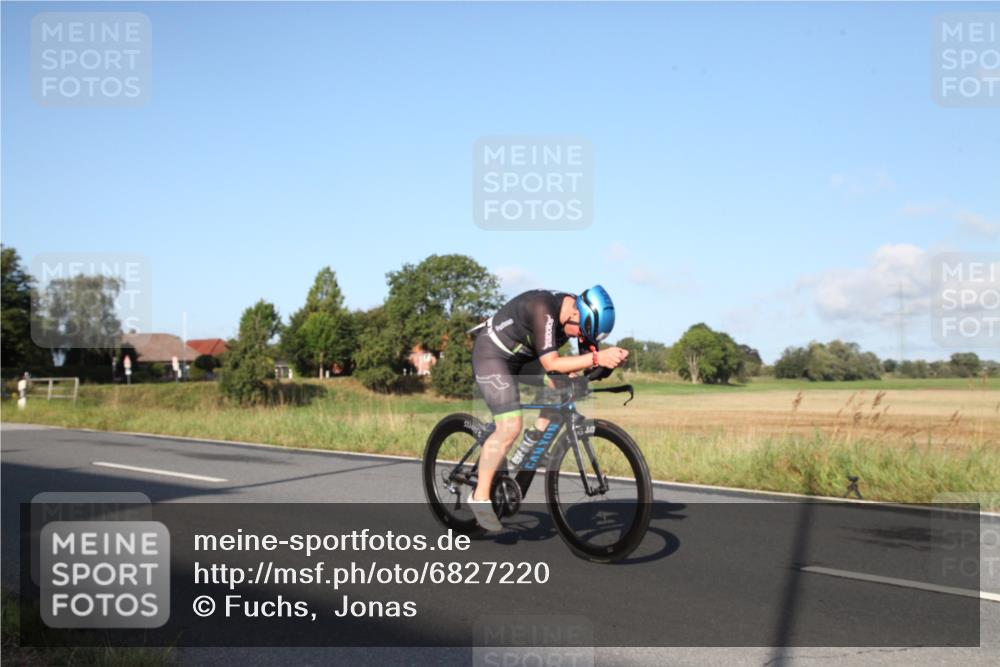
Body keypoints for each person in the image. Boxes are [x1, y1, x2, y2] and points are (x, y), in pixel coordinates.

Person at [466, 285, 629, 530]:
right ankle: (479, 497)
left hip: (524, 359)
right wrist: (598, 357)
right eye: (581, 331)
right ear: (575, 312)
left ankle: (532, 441)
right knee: (509, 427)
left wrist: (607, 364)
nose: (579, 337)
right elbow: (552, 363)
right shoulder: (543, 308)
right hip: (493, 356)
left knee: (564, 387)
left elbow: (589, 368)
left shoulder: (581, 319)